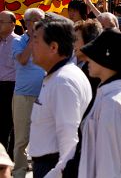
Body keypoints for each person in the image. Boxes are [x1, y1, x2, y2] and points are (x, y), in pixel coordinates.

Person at [63, 29, 121, 177]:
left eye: (93, 55)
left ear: (106, 58)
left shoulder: (113, 103)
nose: (87, 59)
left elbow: (108, 166)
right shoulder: (109, 96)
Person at [29, 14, 92, 178]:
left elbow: (69, 142)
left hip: (54, 168)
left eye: (36, 40)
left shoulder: (63, 81)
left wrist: (55, 174)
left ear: (53, 47)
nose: (31, 45)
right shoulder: (57, 76)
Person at [11, 9, 45, 178]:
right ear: (26, 23)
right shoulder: (19, 41)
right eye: (35, 20)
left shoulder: (48, 41)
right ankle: (19, 173)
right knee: (21, 139)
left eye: (42, 20)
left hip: (45, 96)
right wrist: (33, 38)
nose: (39, 24)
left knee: (44, 138)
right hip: (23, 96)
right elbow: (23, 60)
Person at [0, 11, 20, 159]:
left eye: (2, 21)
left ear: (13, 24)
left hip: (11, 87)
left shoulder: (18, 42)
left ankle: (9, 159)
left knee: (9, 124)